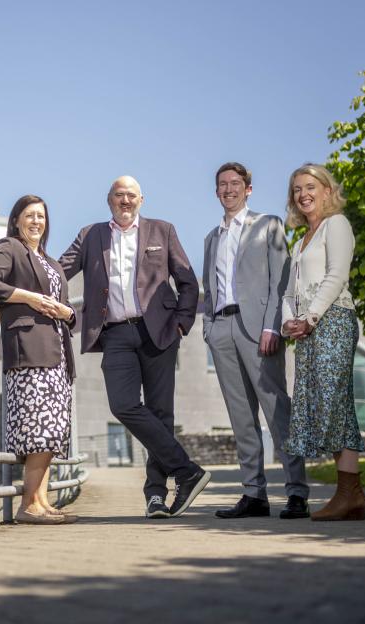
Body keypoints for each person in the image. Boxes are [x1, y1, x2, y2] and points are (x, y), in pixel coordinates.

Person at [60, 176, 209, 518]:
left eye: (131, 195)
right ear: (108, 199)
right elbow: (58, 269)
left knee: (160, 414)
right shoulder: (91, 235)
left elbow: (187, 281)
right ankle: (187, 471)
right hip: (114, 333)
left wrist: (183, 322)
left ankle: (156, 495)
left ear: (142, 199)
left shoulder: (163, 230)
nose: (124, 200)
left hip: (158, 331)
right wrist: (20, 291)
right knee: (123, 405)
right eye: (118, 195)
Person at [202, 162, 309, 519]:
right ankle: (254, 495)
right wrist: (209, 329)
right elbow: (210, 287)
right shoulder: (211, 238)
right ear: (216, 191)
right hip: (222, 329)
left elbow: (281, 282)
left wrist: (273, 327)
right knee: (240, 417)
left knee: (277, 409)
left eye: (235, 183)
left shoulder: (269, 225)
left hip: (258, 330)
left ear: (248, 189)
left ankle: (296, 492)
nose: (228, 189)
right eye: (222, 184)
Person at [0, 194, 78, 525]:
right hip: (30, 351)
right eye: (30, 215)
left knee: (52, 429)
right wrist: (28, 299)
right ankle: (28, 505)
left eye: (41, 216)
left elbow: (62, 307)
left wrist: (68, 312)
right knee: (38, 428)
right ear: (17, 219)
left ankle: (42, 501)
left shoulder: (50, 261)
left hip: (58, 353)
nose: (36, 221)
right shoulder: (9, 247)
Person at [281, 163, 365, 521]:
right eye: (297, 189)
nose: (303, 194)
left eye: (310, 187)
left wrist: (311, 317)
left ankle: (350, 494)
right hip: (307, 327)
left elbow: (336, 276)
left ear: (328, 191)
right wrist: (289, 319)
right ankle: (351, 496)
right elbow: (289, 290)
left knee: (334, 403)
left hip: (332, 321)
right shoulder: (300, 240)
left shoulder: (337, 225)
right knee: (324, 405)